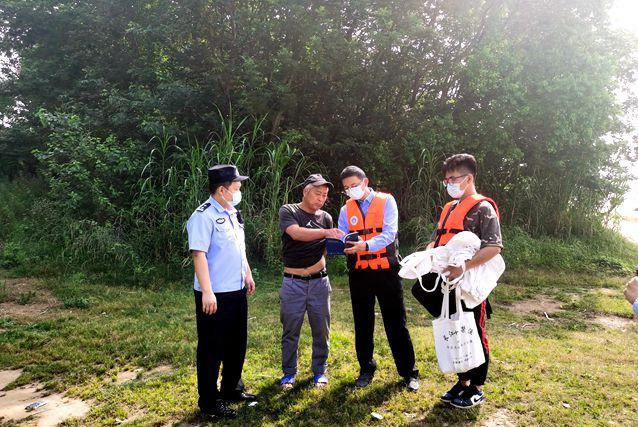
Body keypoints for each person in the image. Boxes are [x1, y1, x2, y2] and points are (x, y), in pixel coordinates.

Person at [412, 153, 502, 409]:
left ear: (468, 178)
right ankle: (463, 381)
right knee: (454, 327)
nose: (449, 183)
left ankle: (477, 387)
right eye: (447, 180)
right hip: (445, 280)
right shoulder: (449, 208)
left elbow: (494, 247)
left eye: (453, 178)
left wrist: (464, 265)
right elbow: (437, 240)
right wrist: (428, 255)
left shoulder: (483, 208)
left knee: (475, 331)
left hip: (469, 284)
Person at [338, 166, 420, 391]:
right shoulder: (346, 209)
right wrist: (340, 243)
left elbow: (389, 234)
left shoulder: (387, 201)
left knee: (396, 322)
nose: (350, 190)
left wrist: (365, 245)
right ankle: (366, 370)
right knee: (362, 323)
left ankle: (409, 372)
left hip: (386, 271)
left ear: (365, 182)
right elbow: (342, 234)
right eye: (346, 188)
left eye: (354, 185)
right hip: (359, 272)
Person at [186, 164, 257, 419]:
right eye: (236, 187)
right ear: (222, 190)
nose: (239, 191)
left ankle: (231, 388)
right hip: (214, 294)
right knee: (211, 348)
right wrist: (207, 292)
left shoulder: (232, 212)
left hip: (236, 290)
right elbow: (199, 255)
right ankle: (209, 402)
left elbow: (239, 248)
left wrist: (247, 273)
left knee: (236, 344)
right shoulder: (202, 216)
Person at [278, 174, 344, 389]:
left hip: (319, 282)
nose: (321, 198)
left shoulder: (326, 217)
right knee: (290, 330)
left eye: (324, 195)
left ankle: (319, 371)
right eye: (317, 193)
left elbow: (326, 248)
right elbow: (296, 233)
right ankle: (289, 373)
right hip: (293, 282)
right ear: (306, 191)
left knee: (321, 330)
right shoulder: (289, 210)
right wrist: (326, 232)